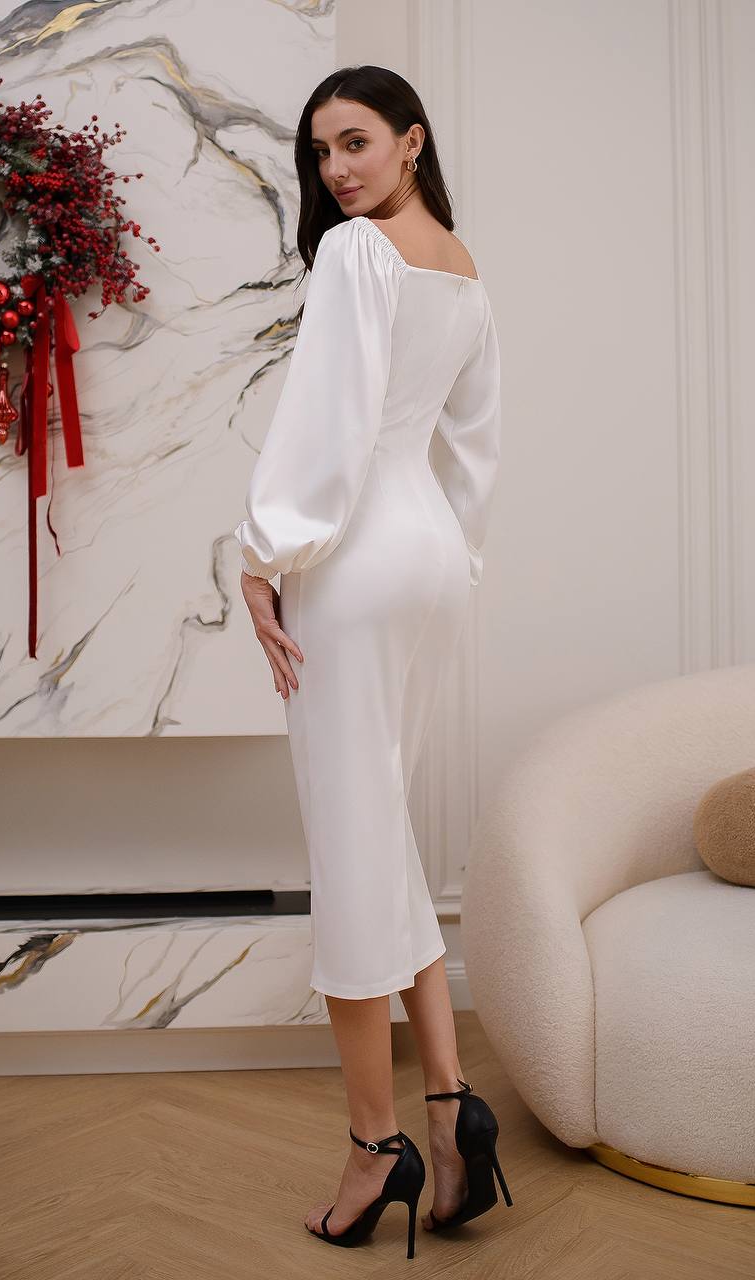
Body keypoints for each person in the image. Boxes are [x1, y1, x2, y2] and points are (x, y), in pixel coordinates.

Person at [233, 66, 508, 1258]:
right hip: (430, 556)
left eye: (354, 142)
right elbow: (474, 445)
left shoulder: (356, 255)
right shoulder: (460, 266)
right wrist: (454, 550)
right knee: (381, 830)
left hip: (352, 560)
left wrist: (263, 552)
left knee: (352, 852)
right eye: (320, 152)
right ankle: (448, 1108)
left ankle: (370, 1142)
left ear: (411, 140)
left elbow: (328, 422)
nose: (336, 169)